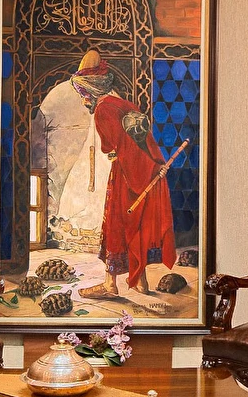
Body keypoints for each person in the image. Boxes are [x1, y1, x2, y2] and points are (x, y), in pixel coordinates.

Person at [69, 50, 175, 300]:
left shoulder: (103, 110)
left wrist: (142, 167)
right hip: (142, 171)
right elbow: (144, 143)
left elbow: (120, 147)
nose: (83, 100)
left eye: (83, 94)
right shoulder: (125, 104)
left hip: (126, 173)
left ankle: (110, 284)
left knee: (116, 225)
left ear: (92, 89)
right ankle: (141, 283)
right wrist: (154, 166)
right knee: (135, 226)